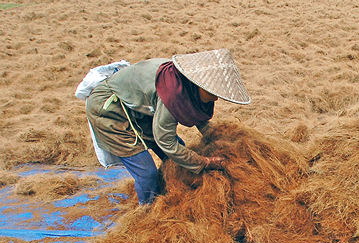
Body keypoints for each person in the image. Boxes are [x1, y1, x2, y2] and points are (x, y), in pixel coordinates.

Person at [85, 48, 251, 205]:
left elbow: (196, 115)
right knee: (147, 173)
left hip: (139, 108)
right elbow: (166, 142)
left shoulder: (188, 83)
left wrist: (215, 137)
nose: (215, 99)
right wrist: (204, 162)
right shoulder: (172, 94)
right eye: (213, 93)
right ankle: (148, 210)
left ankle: (171, 189)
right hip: (110, 110)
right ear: (200, 84)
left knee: (179, 156)